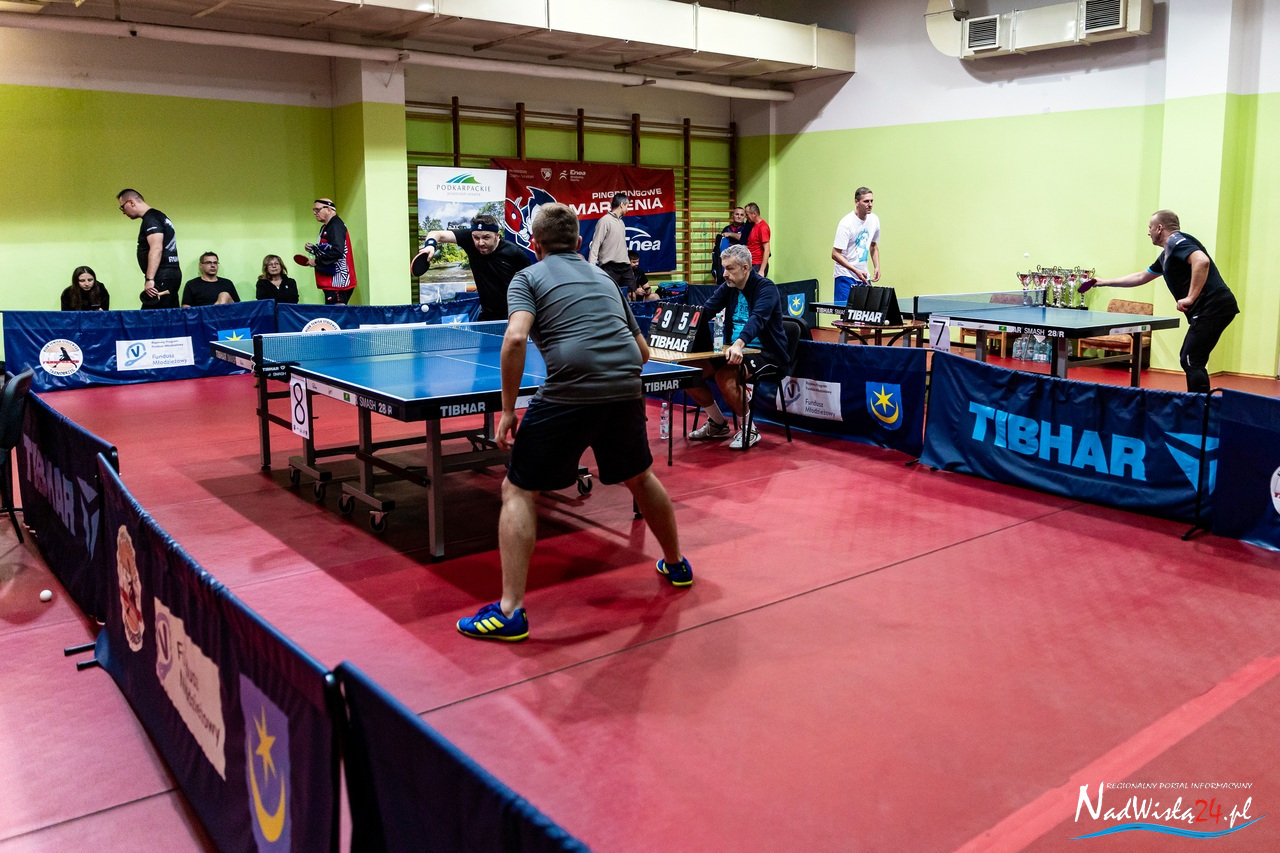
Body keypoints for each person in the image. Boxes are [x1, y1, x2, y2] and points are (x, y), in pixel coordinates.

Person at [456, 203, 691, 642]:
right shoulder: (605, 278)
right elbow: (642, 353)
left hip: (569, 392)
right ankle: (676, 564)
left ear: (535, 244)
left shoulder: (527, 277)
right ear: (580, 242)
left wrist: (507, 411)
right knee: (640, 476)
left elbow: (515, 337)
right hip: (625, 387)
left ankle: (510, 612)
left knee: (518, 489)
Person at [1082, 209, 1239, 393]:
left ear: (1159, 228)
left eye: (1150, 227)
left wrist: (1190, 297)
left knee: (1191, 359)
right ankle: (1200, 403)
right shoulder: (1167, 255)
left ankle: (1201, 405)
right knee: (1190, 358)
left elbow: (1202, 261)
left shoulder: (1176, 242)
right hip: (1215, 307)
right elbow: (1141, 277)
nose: (1148, 232)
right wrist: (1104, 282)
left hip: (1214, 306)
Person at [683, 244, 788, 450]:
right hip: (732, 349)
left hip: (765, 353)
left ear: (745, 268)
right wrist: (681, 328)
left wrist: (739, 343)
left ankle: (749, 429)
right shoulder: (729, 287)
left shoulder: (766, 288)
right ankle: (718, 423)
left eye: (730, 268)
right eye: (724, 268)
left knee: (725, 376)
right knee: (687, 373)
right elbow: (706, 311)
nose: (724, 274)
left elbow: (757, 319)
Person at [414, 214, 532, 320]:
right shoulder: (469, 239)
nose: (480, 243)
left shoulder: (514, 253)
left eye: (486, 237)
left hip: (514, 316)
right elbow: (436, 233)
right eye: (476, 237)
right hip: (487, 314)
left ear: (497, 235)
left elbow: (532, 284)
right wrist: (430, 245)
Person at [117, 188, 180, 309]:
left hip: (161, 276)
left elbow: (156, 248)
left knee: (151, 316)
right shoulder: (159, 216)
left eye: (122, 207)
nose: (123, 212)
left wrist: (150, 279)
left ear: (131, 202)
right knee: (169, 314)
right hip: (169, 274)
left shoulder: (151, 219)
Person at [298, 198, 357, 304]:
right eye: (314, 210)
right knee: (331, 312)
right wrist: (314, 249)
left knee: (336, 313)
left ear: (329, 209)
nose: (314, 213)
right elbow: (328, 248)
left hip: (338, 283)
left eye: (317, 209)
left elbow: (337, 251)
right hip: (330, 282)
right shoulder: (326, 227)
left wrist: (316, 261)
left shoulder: (336, 226)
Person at [831, 187, 881, 304]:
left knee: (867, 310)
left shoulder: (874, 220)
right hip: (845, 275)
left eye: (871, 201)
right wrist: (855, 270)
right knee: (845, 312)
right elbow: (835, 254)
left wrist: (877, 267)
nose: (870, 204)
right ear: (856, 202)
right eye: (866, 201)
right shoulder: (846, 223)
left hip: (863, 275)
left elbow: (873, 246)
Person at [587, 192, 636, 293]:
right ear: (622, 205)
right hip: (609, 266)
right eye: (627, 206)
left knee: (632, 293)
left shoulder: (621, 222)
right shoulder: (604, 221)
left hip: (625, 265)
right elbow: (595, 244)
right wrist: (591, 268)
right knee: (610, 294)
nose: (627, 209)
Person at [711, 206, 749, 284]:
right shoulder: (727, 228)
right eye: (737, 214)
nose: (739, 216)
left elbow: (743, 238)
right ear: (732, 215)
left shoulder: (747, 228)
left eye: (742, 215)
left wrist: (730, 234)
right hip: (727, 260)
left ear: (745, 217)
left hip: (740, 260)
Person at [744, 202, 771, 276]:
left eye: (747, 214)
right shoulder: (752, 226)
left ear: (754, 214)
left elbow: (767, 250)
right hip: (751, 263)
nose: (746, 217)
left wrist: (762, 270)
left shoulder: (763, 228)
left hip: (758, 265)